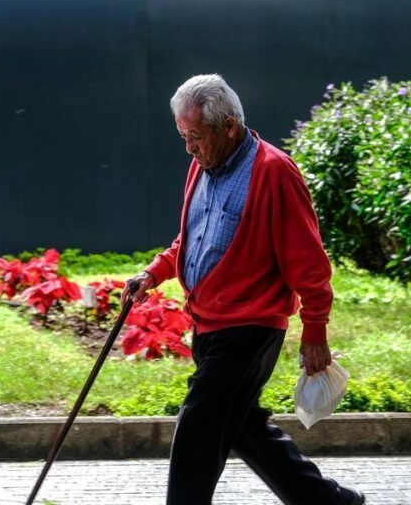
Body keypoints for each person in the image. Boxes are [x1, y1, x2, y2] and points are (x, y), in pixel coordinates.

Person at [122, 74, 365, 505]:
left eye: (195, 136)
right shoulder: (202, 166)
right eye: (183, 137)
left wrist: (315, 330)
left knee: (198, 429)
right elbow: (194, 238)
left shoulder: (274, 172)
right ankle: (331, 503)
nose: (189, 148)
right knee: (242, 427)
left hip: (251, 327)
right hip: (209, 323)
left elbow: (309, 262)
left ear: (228, 126)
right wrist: (153, 274)